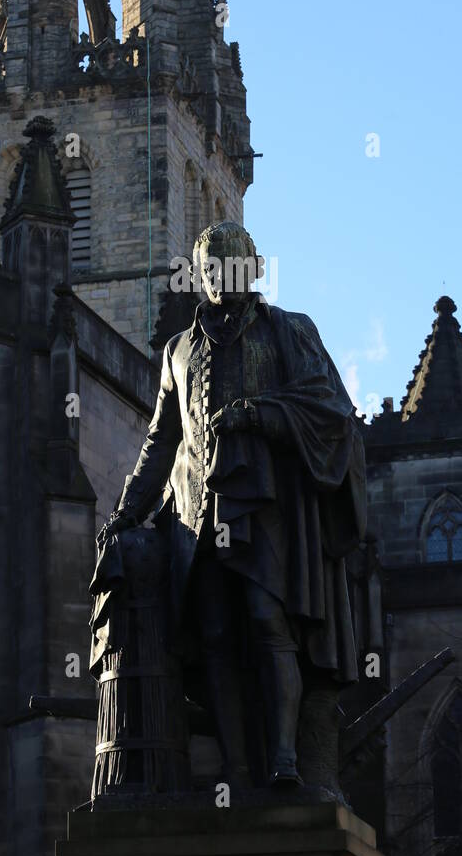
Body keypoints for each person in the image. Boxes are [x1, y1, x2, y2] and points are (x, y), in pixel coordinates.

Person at [98, 221, 366, 787]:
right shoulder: (178, 350)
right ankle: (239, 768)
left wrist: (258, 414)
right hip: (196, 514)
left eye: (234, 267)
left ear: (256, 269)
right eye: (212, 270)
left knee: (269, 621)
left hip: (266, 507)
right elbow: (161, 438)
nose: (223, 279)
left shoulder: (289, 332)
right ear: (201, 276)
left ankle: (286, 761)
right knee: (215, 634)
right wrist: (125, 510)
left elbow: (330, 410)